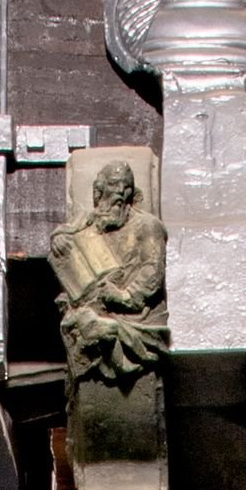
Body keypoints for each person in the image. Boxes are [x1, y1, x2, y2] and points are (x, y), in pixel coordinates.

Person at [50, 160, 168, 387]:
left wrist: (123, 296)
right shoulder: (88, 221)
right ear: (98, 191)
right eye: (113, 185)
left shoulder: (148, 226)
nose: (120, 191)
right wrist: (58, 239)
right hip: (94, 302)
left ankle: (110, 334)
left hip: (136, 314)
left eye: (126, 186)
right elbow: (65, 231)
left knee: (93, 329)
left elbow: (152, 271)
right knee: (76, 322)